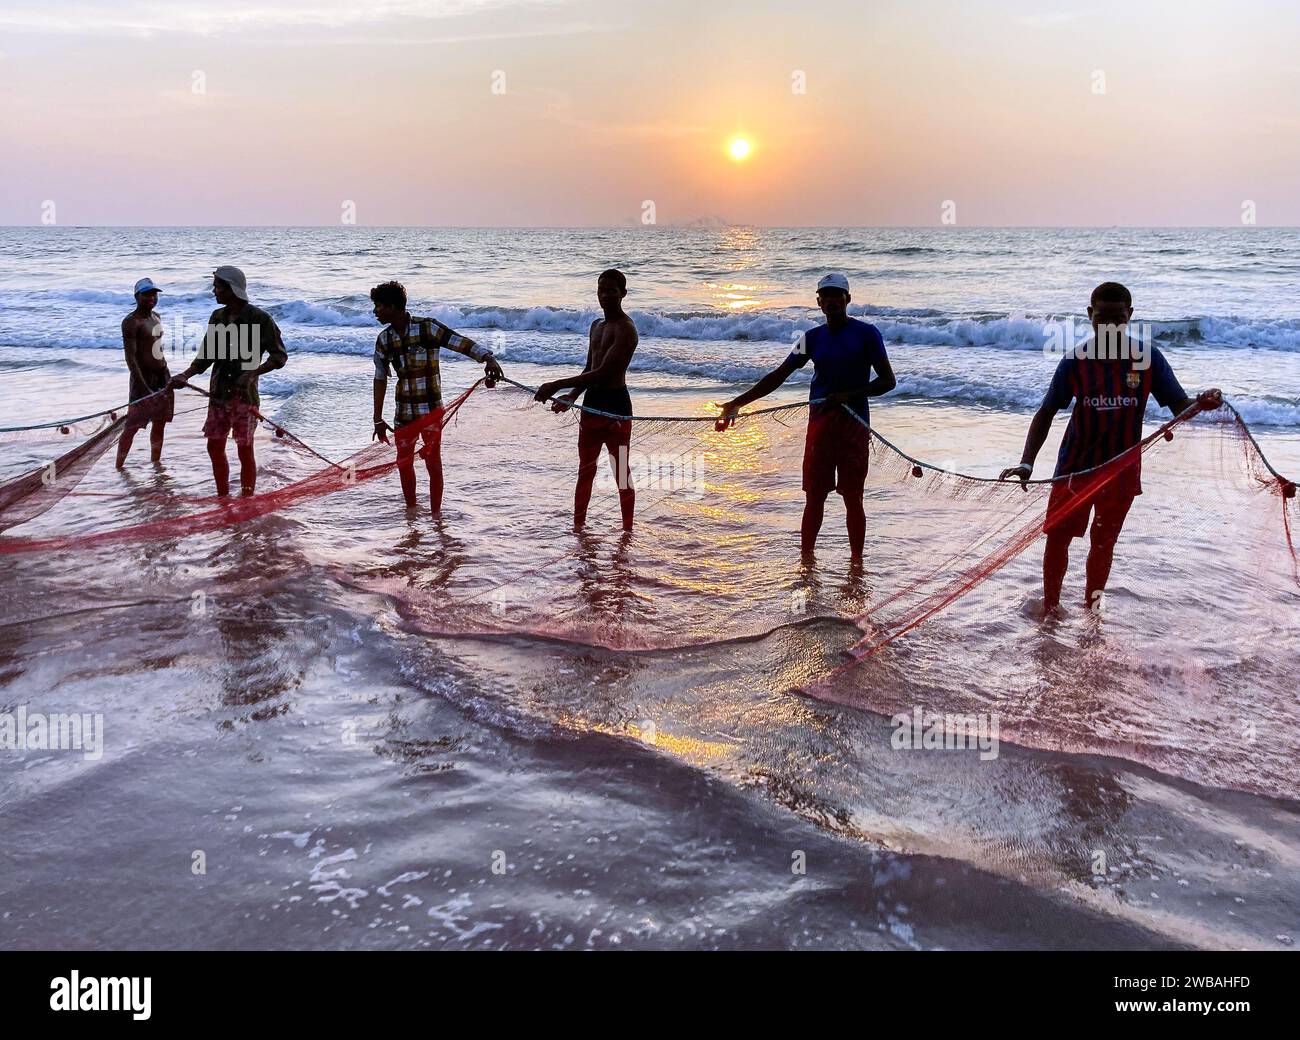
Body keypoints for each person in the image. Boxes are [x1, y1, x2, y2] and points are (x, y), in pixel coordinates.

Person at [1000, 281, 1221, 614]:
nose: (1110, 326)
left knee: (1103, 544)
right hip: (1075, 469)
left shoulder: (1147, 359)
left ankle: (1092, 612)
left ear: (1130, 316)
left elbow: (1179, 406)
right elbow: (1046, 411)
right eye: (1102, 318)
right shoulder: (1075, 361)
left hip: (1121, 471)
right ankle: (1050, 610)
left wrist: (1202, 403)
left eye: (1118, 318)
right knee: (1057, 540)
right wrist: (1026, 463)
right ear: (1090, 315)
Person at [717, 273, 895, 564]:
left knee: (853, 498)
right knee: (814, 496)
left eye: (838, 295)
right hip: (820, 426)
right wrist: (738, 403)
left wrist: (850, 395)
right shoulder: (810, 339)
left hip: (854, 426)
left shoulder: (867, 334)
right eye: (826, 295)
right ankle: (806, 562)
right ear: (818, 302)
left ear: (847, 299)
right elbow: (778, 376)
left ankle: (856, 563)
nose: (832, 300)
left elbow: (888, 381)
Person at [370, 281, 503, 513]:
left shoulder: (427, 328)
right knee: (404, 464)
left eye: (378, 306)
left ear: (392, 306)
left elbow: (460, 343)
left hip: (431, 412)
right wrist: (377, 418)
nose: (375, 311)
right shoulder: (384, 339)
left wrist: (487, 358)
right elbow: (380, 378)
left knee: (433, 463)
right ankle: (411, 512)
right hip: (403, 414)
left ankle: (435, 515)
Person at [534, 269, 638, 531]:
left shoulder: (626, 330)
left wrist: (555, 384)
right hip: (591, 405)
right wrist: (571, 395)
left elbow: (605, 373)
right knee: (585, 471)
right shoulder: (596, 326)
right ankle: (578, 528)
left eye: (611, 290)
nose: (605, 295)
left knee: (621, 471)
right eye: (601, 290)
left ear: (623, 294)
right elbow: (589, 368)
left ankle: (627, 531)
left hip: (617, 409)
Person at [168, 266, 288, 496]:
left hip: (245, 397)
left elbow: (279, 356)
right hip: (219, 395)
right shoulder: (218, 317)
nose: (214, 292)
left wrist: (254, 373)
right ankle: (223, 495)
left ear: (232, 289)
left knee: (244, 449)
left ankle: (246, 497)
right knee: (214, 446)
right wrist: (185, 375)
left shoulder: (259, 318)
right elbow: (206, 355)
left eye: (218, 287)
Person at [116, 277, 174, 468]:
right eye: (146, 294)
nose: (151, 298)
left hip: (162, 376)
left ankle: (156, 463)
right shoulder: (131, 322)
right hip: (143, 379)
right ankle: (119, 466)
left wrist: (167, 378)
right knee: (132, 425)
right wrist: (143, 386)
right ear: (137, 297)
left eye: (153, 294)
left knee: (160, 423)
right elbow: (131, 358)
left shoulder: (157, 316)